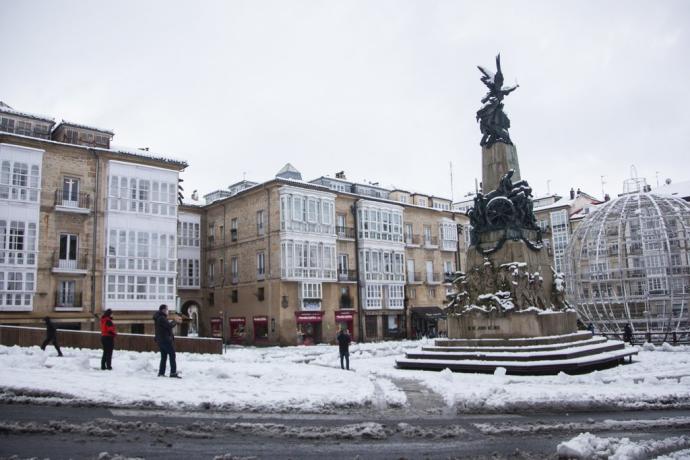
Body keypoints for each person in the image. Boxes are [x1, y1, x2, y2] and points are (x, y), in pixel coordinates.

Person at [153, 304, 180, 378]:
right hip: (165, 340)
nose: (168, 311)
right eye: (167, 309)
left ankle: (161, 373)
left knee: (164, 356)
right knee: (172, 354)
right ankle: (173, 373)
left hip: (160, 340)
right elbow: (169, 326)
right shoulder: (162, 318)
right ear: (163, 310)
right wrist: (175, 321)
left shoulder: (159, 317)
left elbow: (165, 327)